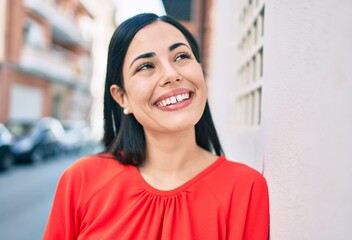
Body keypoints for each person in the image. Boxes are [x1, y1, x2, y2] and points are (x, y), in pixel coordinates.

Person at [43, 13, 269, 240]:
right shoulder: (82, 180)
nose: (171, 75)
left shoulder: (245, 189)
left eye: (181, 56)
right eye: (146, 66)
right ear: (122, 97)